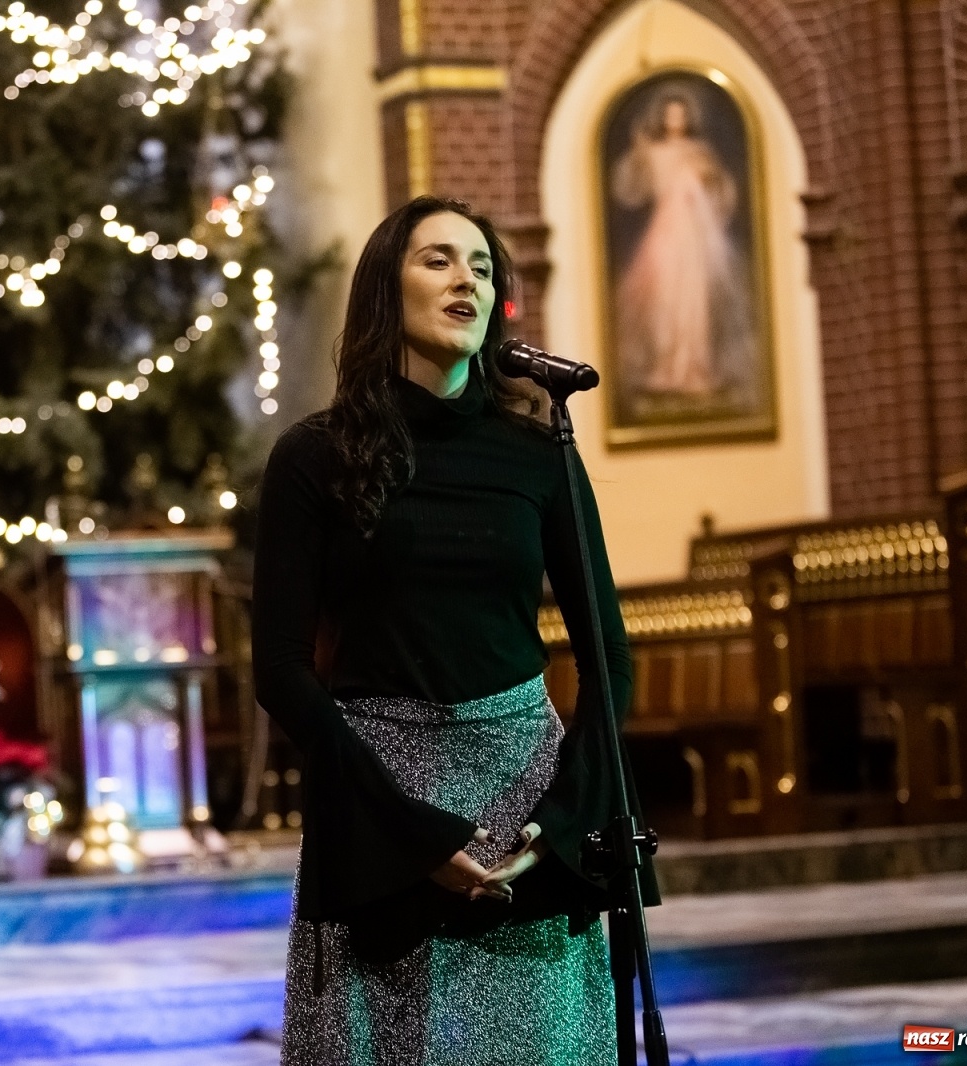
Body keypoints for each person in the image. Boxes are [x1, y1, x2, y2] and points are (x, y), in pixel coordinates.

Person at [252, 195, 660, 1064]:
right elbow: (281, 670)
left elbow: (608, 657)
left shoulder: (536, 451)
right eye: (438, 260)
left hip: (525, 815)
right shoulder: (315, 456)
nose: (466, 280)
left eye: (481, 267)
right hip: (380, 800)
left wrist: (563, 821)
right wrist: (412, 837)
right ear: (384, 291)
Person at [610, 88, 754, 407]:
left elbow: (722, 194)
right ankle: (666, 368)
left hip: (695, 237)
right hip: (665, 232)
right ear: (663, 118)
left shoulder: (700, 151)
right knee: (663, 303)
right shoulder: (653, 151)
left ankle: (694, 369)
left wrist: (708, 181)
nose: (676, 120)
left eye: (681, 114)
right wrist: (638, 153)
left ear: (688, 118)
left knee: (693, 304)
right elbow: (631, 190)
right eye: (670, 114)